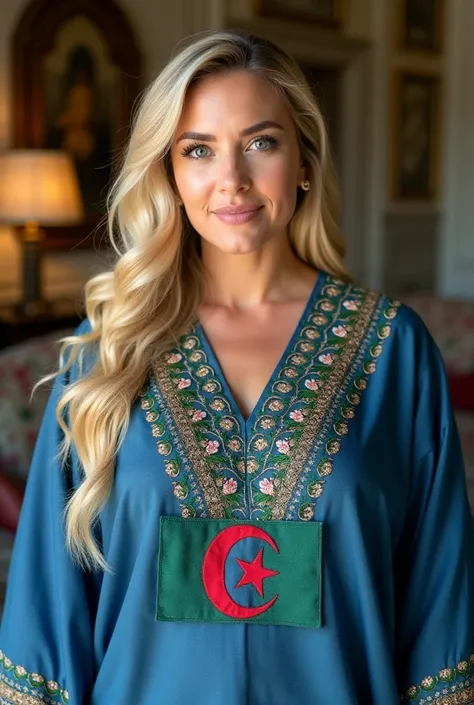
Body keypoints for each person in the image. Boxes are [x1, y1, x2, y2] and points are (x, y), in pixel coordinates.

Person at [0, 29, 473, 705]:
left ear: (304, 159)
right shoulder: (108, 352)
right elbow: (46, 620)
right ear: (169, 170)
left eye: (262, 142)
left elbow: (440, 609)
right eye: (199, 149)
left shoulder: (394, 350)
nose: (232, 180)